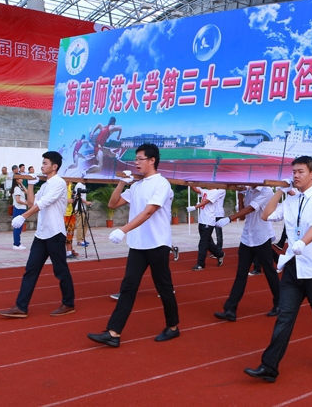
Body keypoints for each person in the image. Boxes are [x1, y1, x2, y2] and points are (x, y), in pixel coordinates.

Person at [244, 156, 312, 382]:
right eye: (293, 171)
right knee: (284, 316)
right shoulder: (290, 200)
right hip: (293, 267)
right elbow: (266, 215)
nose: (295, 175)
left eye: (300, 171)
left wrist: (302, 243)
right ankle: (269, 366)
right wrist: (279, 191)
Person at [87, 143, 179, 348]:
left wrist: (123, 229)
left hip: (157, 243)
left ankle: (173, 327)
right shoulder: (136, 185)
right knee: (128, 287)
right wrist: (122, 182)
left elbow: (149, 212)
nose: (136, 163)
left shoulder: (161, 184)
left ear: (152, 160)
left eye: (140, 159)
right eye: (135, 159)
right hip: (138, 244)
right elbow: (112, 204)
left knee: (164, 287)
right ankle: (113, 332)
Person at [0, 151, 76, 319]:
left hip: (55, 233)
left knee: (60, 270)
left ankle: (68, 303)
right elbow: (32, 202)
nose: (42, 166)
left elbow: (43, 203)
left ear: (54, 166)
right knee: (31, 270)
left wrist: (23, 217)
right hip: (41, 234)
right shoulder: (46, 184)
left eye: (45, 163)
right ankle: (21, 306)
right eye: (42, 163)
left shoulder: (59, 183)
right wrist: (32, 184)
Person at [214, 186, 281, 321]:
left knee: (269, 271)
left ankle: (280, 303)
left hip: (262, 237)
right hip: (247, 237)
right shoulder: (249, 191)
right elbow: (244, 214)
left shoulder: (266, 191)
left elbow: (251, 208)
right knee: (241, 273)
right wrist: (240, 194)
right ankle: (230, 309)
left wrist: (229, 218)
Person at [188, 187, 225, 270]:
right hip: (202, 220)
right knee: (208, 242)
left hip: (209, 221)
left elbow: (206, 201)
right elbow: (196, 190)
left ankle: (200, 264)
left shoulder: (216, 192)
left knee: (203, 243)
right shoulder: (205, 191)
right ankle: (220, 254)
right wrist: (189, 182)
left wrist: (194, 207)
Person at [73, 182, 92, 247]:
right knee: (80, 225)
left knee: (86, 224)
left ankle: (82, 239)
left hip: (84, 208)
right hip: (79, 208)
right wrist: (86, 202)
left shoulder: (84, 185)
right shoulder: (79, 184)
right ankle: (79, 241)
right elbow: (77, 197)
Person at [11, 182, 28, 250]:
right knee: (17, 226)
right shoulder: (17, 189)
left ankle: (17, 243)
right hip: (19, 208)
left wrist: (22, 185)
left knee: (19, 227)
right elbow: (18, 200)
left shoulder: (19, 188)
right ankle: (16, 243)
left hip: (21, 208)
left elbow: (27, 192)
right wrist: (25, 203)